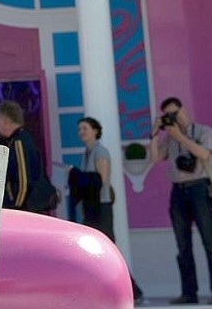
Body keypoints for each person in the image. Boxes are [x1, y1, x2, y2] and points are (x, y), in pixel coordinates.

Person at [69, 117, 144, 305]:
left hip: (101, 207)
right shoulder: (86, 153)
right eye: (79, 129)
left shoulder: (100, 151)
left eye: (85, 128)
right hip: (91, 207)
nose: (81, 132)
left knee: (110, 249)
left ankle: (133, 291)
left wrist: (76, 174)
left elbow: (100, 179)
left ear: (95, 130)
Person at [149, 97, 212, 305]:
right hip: (178, 191)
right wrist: (154, 133)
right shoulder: (170, 138)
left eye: (175, 113)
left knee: (210, 242)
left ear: (183, 110)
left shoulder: (203, 131)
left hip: (200, 189)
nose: (173, 118)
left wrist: (181, 137)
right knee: (182, 245)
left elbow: (204, 153)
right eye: (168, 116)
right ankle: (189, 292)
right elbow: (156, 158)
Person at [0, 100, 51, 211]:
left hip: (26, 209)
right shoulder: (23, 139)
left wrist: (17, 207)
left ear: (5, 121)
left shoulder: (18, 143)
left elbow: (23, 182)